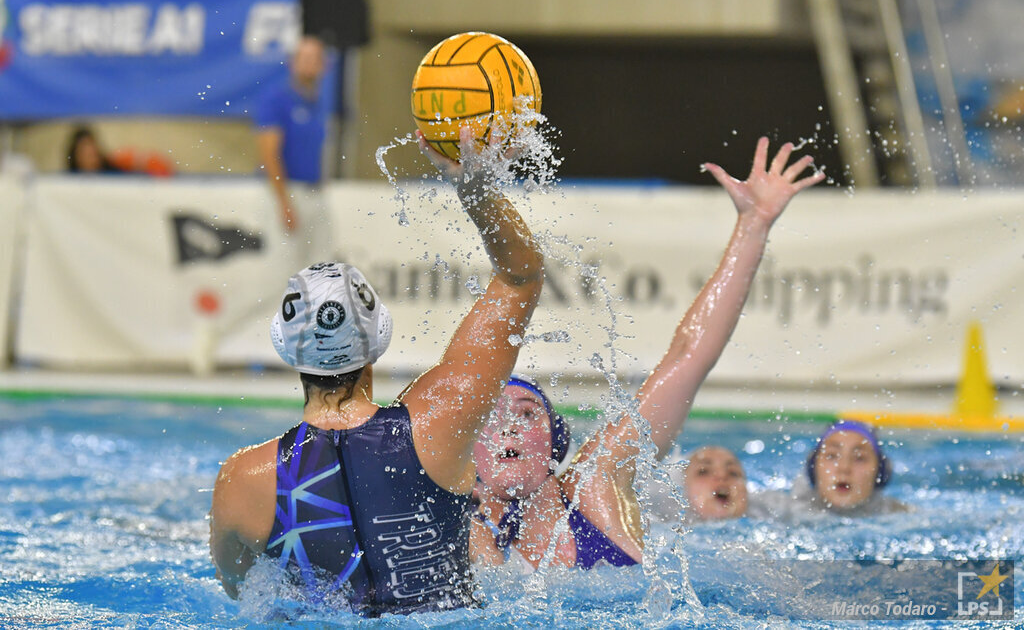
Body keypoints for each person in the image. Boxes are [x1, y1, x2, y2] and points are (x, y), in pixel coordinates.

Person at [209, 128, 544, 615]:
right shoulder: (441, 416)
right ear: (376, 344)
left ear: (288, 351)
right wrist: (472, 186)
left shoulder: (242, 480)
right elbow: (522, 276)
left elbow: (246, 597)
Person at [471, 138, 823, 568]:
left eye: (527, 413)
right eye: (491, 414)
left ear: (554, 445)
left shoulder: (597, 485)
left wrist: (754, 226)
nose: (508, 425)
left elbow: (687, 356)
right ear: (469, 448)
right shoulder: (449, 531)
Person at [255, 35, 332, 262]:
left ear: (324, 66)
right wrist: (283, 202)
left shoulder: (317, 103)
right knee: (285, 270)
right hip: (288, 193)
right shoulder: (277, 100)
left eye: (314, 59)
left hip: (315, 193)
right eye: (304, 58)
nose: (309, 64)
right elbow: (269, 153)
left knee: (320, 268)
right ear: (292, 63)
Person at [66, 125, 173, 176]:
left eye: (92, 153)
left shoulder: (114, 173)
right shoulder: (68, 181)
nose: (90, 157)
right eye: (84, 153)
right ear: (76, 156)